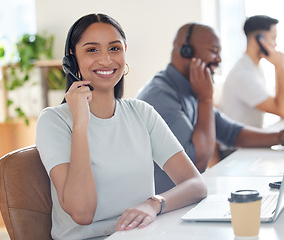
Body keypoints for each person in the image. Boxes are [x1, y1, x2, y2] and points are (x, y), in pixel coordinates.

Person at [36, 13, 207, 240]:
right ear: (72, 58)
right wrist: (81, 123)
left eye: (114, 48)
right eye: (92, 50)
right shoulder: (53, 121)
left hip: (141, 235)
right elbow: (82, 213)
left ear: (125, 51)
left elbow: (196, 184)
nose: (106, 60)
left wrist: (153, 204)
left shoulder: (141, 113)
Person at [136, 23, 284, 194]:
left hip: (180, 198)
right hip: (160, 209)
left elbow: (231, 132)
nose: (219, 59)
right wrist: (206, 98)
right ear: (186, 52)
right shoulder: (161, 97)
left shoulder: (189, 86)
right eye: (213, 51)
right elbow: (197, 162)